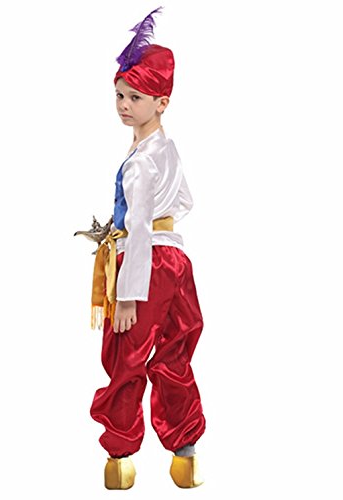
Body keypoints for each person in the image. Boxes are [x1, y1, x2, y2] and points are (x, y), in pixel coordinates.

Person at [88, 8, 206, 489]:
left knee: (127, 357)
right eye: (119, 95)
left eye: (135, 97)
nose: (123, 105)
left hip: (147, 264)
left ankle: (119, 460)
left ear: (161, 102)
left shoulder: (138, 163)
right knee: (175, 353)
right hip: (177, 260)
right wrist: (164, 228)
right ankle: (186, 454)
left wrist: (129, 295)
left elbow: (137, 228)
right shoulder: (168, 149)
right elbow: (186, 201)